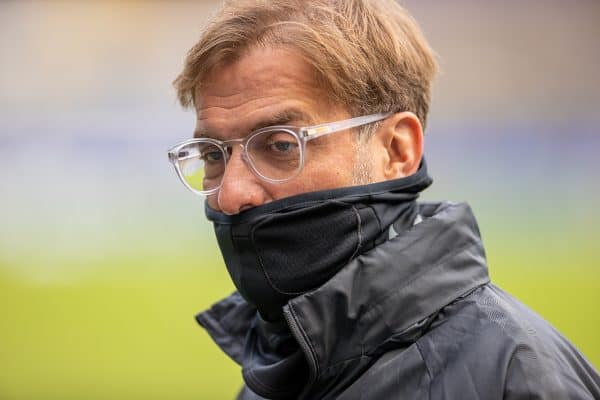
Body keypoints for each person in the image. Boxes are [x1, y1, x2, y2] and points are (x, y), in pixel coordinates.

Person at [167, 1, 600, 398]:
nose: (230, 194)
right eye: (212, 154)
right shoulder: (271, 374)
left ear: (396, 150)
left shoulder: (517, 380)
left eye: (280, 145)